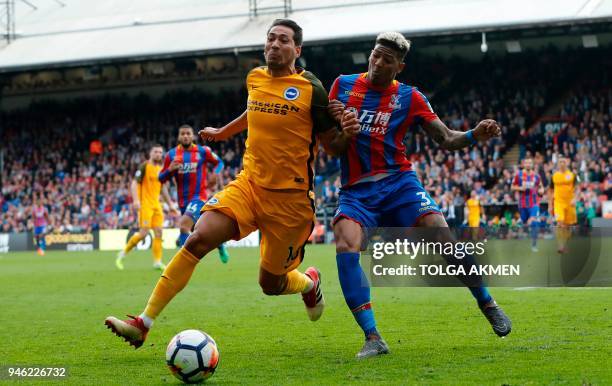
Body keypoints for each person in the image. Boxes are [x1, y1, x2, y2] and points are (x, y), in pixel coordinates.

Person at [105, 19, 354, 348]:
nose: (274, 44)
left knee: (271, 283)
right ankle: (143, 323)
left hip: (291, 201)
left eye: (283, 40)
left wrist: (348, 132)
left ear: (297, 49)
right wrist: (224, 132)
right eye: (270, 39)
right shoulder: (254, 77)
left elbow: (333, 145)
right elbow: (253, 111)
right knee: (197, 239)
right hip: (249, 185)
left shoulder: (311, 88)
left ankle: (308, 284)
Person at [327, 32, 512, 359]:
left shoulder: (410, 97)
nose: (378, 63)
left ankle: (487, 302)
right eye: (375, 55)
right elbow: (332, 146)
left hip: (399, 184)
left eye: (387, 59)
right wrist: (344, 132)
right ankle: (373, 337)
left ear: (400, 66)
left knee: (443, 236)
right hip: (356, 191)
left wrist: (474, 134)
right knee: (344, 242)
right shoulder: (342, 85)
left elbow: (445, 137)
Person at [158, 124, 229, 263]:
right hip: (182, 201)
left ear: (193, 136)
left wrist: (215, 174)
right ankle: (220, 245)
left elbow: (219, 163)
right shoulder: (171, 155)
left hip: (199, 196)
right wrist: (170, 169)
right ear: (179, 136)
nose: (185, 136)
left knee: (183, 226)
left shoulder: (202, 151)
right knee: (203, 231)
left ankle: (183, 262)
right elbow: (161, 178)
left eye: (188, 133)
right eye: (183, 133)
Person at [115, 145, 178, 270]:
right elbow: (134, 183)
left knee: (159, 232)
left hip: (157, 205)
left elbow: (163, 188)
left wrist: (170, 204)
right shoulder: (144, 166)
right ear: (151, 153)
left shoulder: (161, 169)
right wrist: (136, 200)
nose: (158, 154)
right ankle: (123, 253)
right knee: (143, 233)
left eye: (160, 152)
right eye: (156, 151)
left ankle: (157, 262)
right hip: (146, 205)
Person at [511, 157, 544, 252]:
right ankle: (519, 223)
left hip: (534, 203)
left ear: (532, 164)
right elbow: (512, 187)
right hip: (522, 204)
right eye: (527, 163)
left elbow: (541, 187)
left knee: (534, 222)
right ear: (524, 164)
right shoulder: (519, 175)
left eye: (530, 163)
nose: (528, 165)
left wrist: (541, 191)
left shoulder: (536, 176)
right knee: (523, 222)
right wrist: (521, 188)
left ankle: (534, 245)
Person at [549, 156, 578, 254]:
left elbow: (578, 187)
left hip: (570, 203)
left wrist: (575, 198)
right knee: (560, 223)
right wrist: (550, 205)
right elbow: (550, 190)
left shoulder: (572, 175)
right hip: (558, 203)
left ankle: (564, 245)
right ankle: (560, 246)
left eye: (564, 162)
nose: (562, 163)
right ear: (557, 164)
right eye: (560, 162)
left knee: (568, 225)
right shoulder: (554, 176)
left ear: (567, 163)